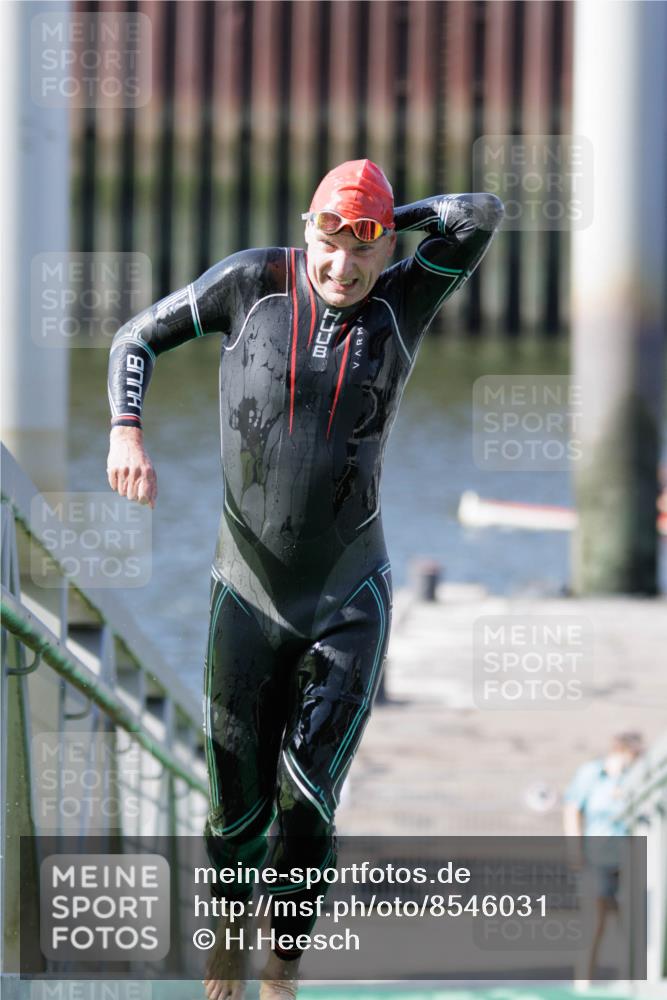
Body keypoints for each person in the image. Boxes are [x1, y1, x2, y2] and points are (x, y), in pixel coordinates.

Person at [106, 160, 504, 999]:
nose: (343, 268)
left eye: (365, 250)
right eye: (330, 242)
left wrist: (397, 216)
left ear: (384, 247)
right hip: (244, 593)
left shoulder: (403, 300)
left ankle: (281, 962)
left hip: (347, 601)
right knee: (234, 812)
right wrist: (124, 432)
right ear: (306, 230)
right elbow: (133, 338)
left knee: (308, 799)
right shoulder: (252, 283)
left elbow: (479, 213)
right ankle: (226, 935)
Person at [563, 731, 644, 986]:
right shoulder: (591, 773)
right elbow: (572, 809)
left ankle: (629, 981)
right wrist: (575, 849)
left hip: (629, 856)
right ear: (620, 751)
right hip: (597, 855)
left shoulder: (635, 778)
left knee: (630, 923)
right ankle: (583, 982)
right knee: (593, 922)